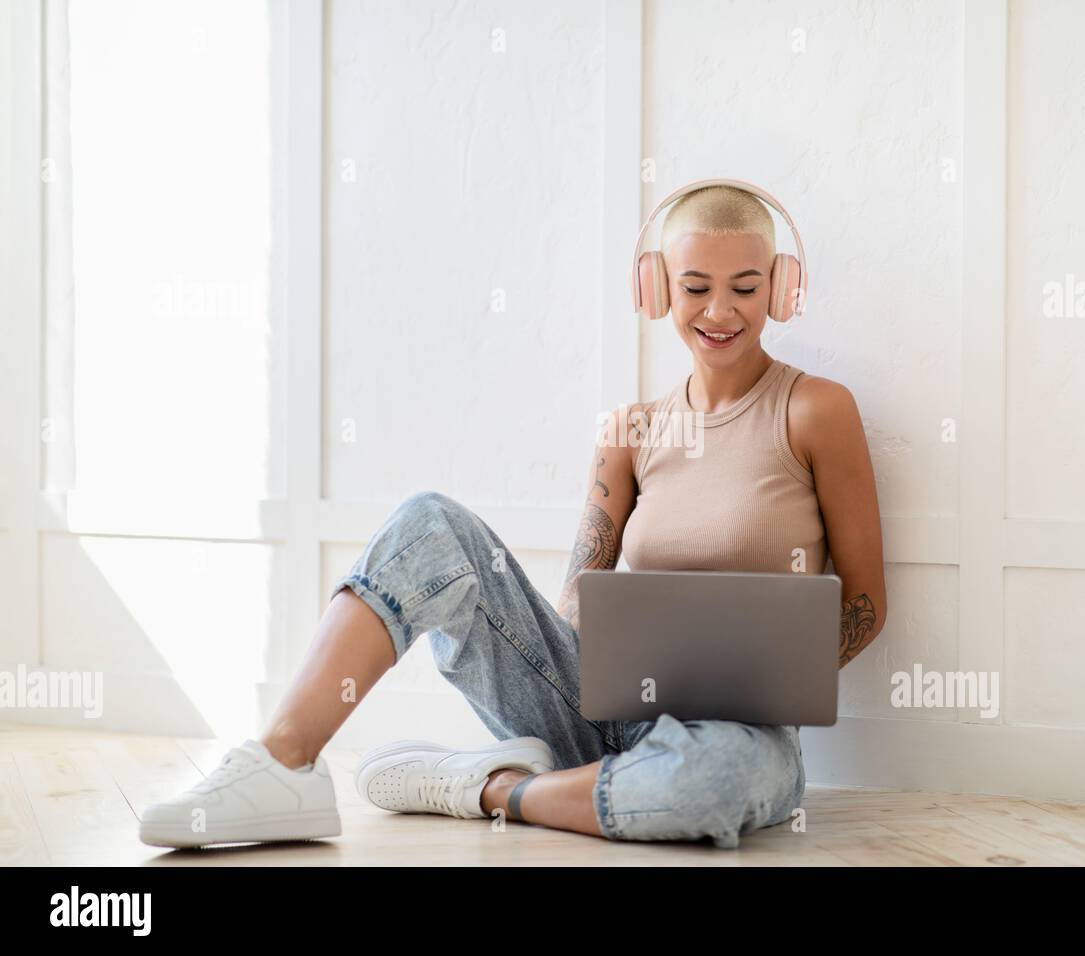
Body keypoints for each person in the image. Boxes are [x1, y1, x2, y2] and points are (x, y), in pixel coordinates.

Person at [139, 182, 887, 851]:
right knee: (429, 523)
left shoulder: (816, 410)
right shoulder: (627, 430)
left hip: (739, 735)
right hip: (601, 717)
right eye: (695, 287)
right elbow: (575, 598)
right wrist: (610, 649)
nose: (720, 312)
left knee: (716, 783)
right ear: (657, 289)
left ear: (782, 290)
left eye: (745, 288)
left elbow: (863, 604)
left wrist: (772, 678)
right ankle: (282, 763)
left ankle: (491, 789)